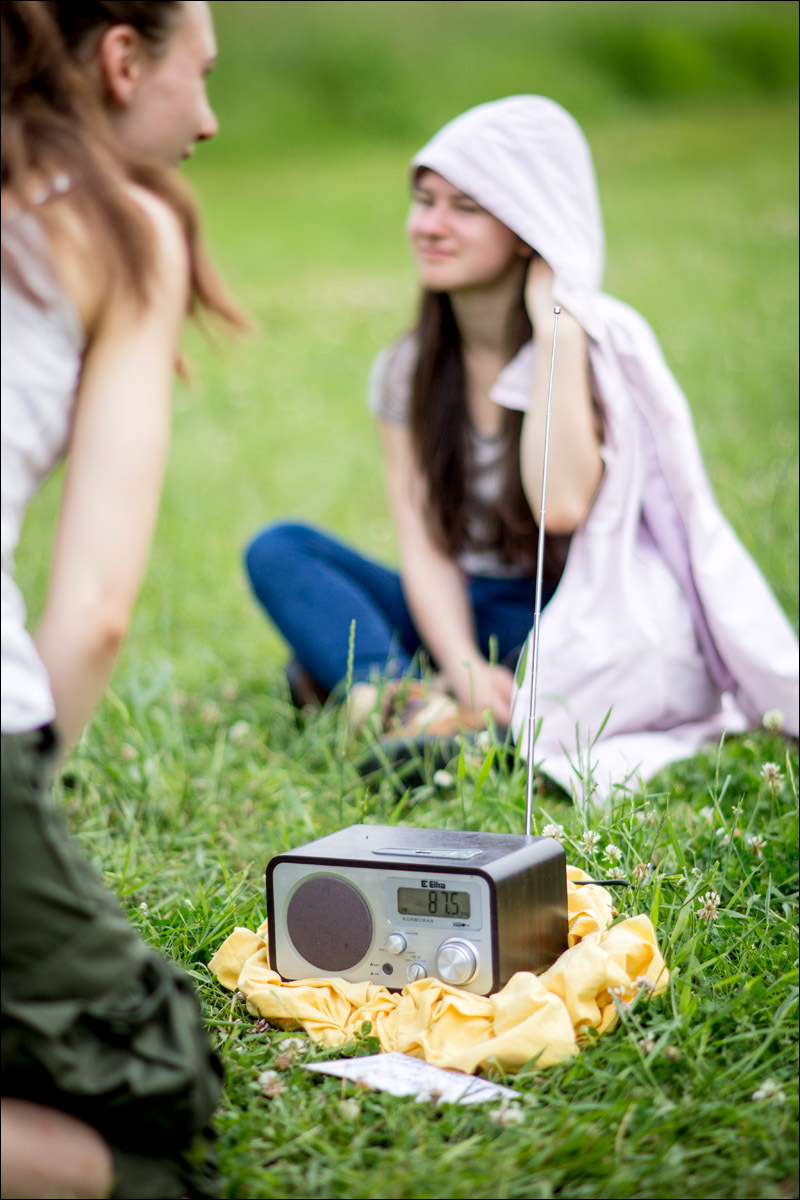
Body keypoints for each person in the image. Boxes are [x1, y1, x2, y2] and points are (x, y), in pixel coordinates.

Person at [245, 95, 798, 792]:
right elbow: (426, 545)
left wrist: (555, 324)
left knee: (328, 659)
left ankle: (421, 708)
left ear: (528, 228)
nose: (430, 225)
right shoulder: (407, 368)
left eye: (466, 208)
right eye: (424, 201)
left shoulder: (595, 350)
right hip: (465, 608)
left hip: (572, 616)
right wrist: (463, 662)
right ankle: (420, 709)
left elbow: (559, 505)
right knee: (281, 549)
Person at [1, 3, 243, 1197]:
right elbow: (94, 606)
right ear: (120, 60)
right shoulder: (119, 227)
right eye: (199, 74)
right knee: (160, 1086)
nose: (210, 119)